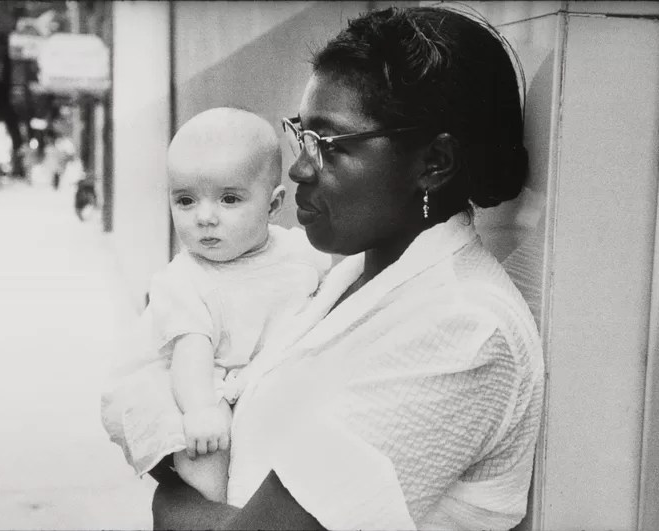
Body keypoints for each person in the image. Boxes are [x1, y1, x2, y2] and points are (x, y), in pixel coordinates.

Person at [148, 6, 544, 530]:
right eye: (300, 134)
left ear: (434, 163)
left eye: (328, 145)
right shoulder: (346, 275)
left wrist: (170, 500)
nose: (298, 167)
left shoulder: (467, 332)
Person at [101, 108, 331, 503]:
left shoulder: (297, 253)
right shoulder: (184, 280)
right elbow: (191, 351)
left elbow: (324, 296)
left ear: (273, 206)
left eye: (229, 199)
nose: (205, 218)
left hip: (268, 377)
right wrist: (201, 409)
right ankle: (217, 508)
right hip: (206, 384)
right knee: (206, 452)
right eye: (186, 200)